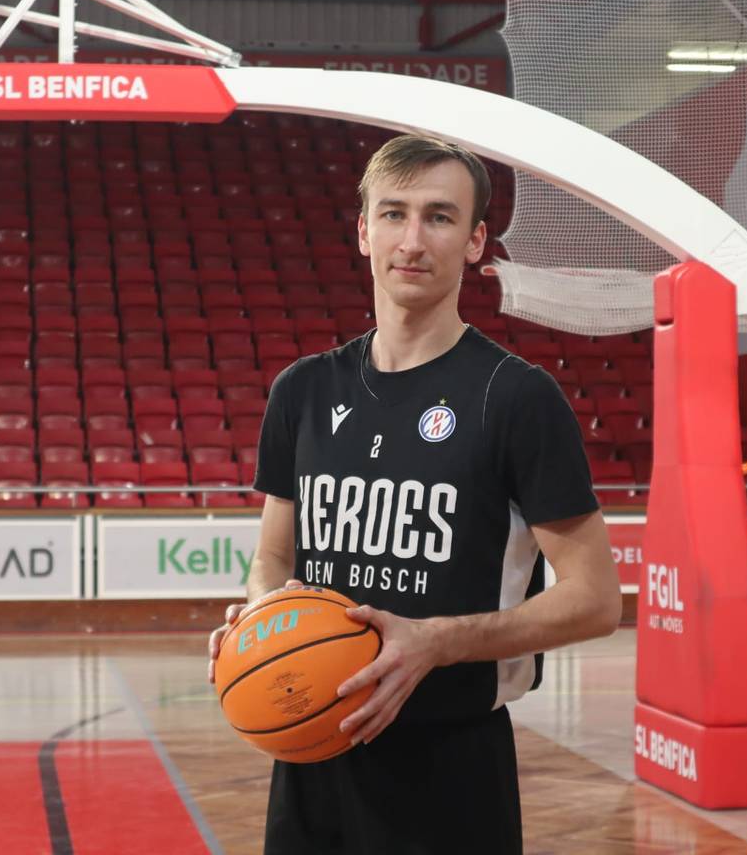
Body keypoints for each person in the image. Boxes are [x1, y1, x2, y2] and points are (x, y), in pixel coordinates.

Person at [207, 133, 621, 855]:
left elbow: (595, 600)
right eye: (393, 214)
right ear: (363, 230)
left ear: (474, 241)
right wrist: (258, 624)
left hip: (451, 765)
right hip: (310, 752)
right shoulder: (302, 390)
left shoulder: (517, 398)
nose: (412, 239)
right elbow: (273, 561)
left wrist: (435, 643)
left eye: (439, 216)